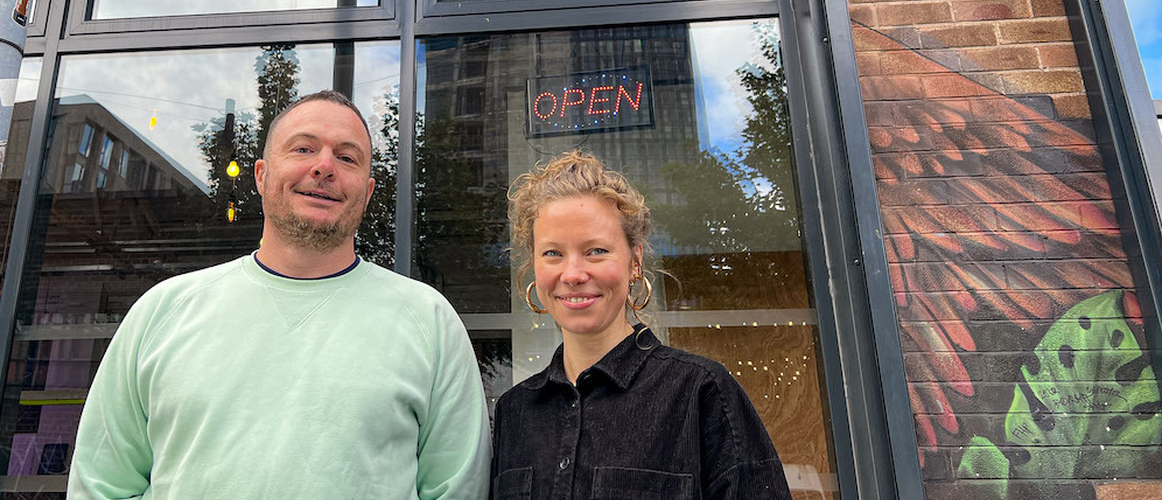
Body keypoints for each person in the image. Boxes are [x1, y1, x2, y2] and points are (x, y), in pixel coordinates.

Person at [68, 90, 491, 499]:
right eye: (303, 149)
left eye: (346, 158)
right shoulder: (162, 311)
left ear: (368, 192)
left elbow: (458, 489)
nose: (324, 167)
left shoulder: (429, 320)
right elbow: (102, 485)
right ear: (261, 175)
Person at [491, 150, 792, 500]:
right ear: (534, 267)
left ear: (635, 263)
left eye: (596, 251)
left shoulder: (699, 392)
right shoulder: (514, 412)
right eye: (553, 253)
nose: (572, 274)